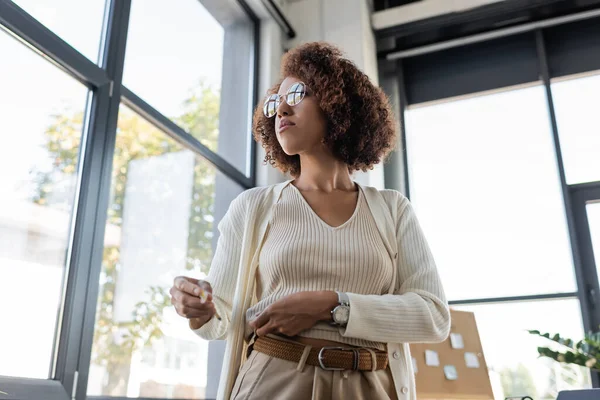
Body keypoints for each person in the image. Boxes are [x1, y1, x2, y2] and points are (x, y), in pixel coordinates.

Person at [169, 42, 450, 400]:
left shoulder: (392, 209)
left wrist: (332, 305)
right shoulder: (252, 207)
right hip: (275, 378)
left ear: (339, 103)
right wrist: (200, 309)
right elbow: (223, 318)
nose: (281, 109)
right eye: (274, 103)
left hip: (371, 385)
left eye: (297, 93)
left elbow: (433, 316)